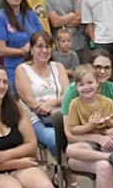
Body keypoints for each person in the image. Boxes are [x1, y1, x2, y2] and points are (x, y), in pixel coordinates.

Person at [15, 30, 71, 174]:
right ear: (31, 49)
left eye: (47, 47)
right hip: (35, 117)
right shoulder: (22, 69)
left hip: (59, 114)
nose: (44, 50)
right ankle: (66, 171)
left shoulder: (58, 67)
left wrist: (50, 104)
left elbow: (67, 94)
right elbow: (29, 100)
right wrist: (42, 107)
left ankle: (61, 169)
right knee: (54, 139)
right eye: (40, 46)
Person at [0, 0, 44, 86]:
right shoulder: (0, 18)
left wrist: (33, 45)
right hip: (15, 69)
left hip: (36, 66)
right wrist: (22, 51)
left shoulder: (30, 14)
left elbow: (42, 36)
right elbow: (1, 50)